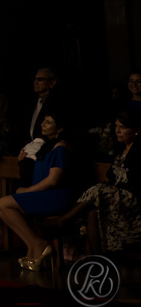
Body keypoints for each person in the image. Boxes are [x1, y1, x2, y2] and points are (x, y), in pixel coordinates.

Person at [0, 109, 76, 270]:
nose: (43, 125)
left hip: (57, 196)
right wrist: (21, 162)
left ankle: (39, 243)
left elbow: (53, 181)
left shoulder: (61, 148)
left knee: (3, 204)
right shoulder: (46, 147)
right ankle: (32, 245)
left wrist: (28, 190)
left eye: (48, 122)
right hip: (43, 194)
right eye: (43, 121)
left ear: (59, 129)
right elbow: (37, 172)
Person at [60, 109, 141, 254]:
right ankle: (99, 260)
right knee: (92, 211)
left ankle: (63, 220)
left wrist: (111, 189)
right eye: (116, 127)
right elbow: (112, 177)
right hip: (115, 200)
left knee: (98, 189)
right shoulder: (120, 150)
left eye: (122, 127)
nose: (117, 131)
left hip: (132, 201)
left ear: (135, 130)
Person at [18, 67, 61, 184]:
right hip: (28, 153)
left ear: (52, 83)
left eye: (40, 79)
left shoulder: (57, 103)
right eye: (35, 79)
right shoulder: (31, 103)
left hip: (45, 153)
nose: (35, 82)